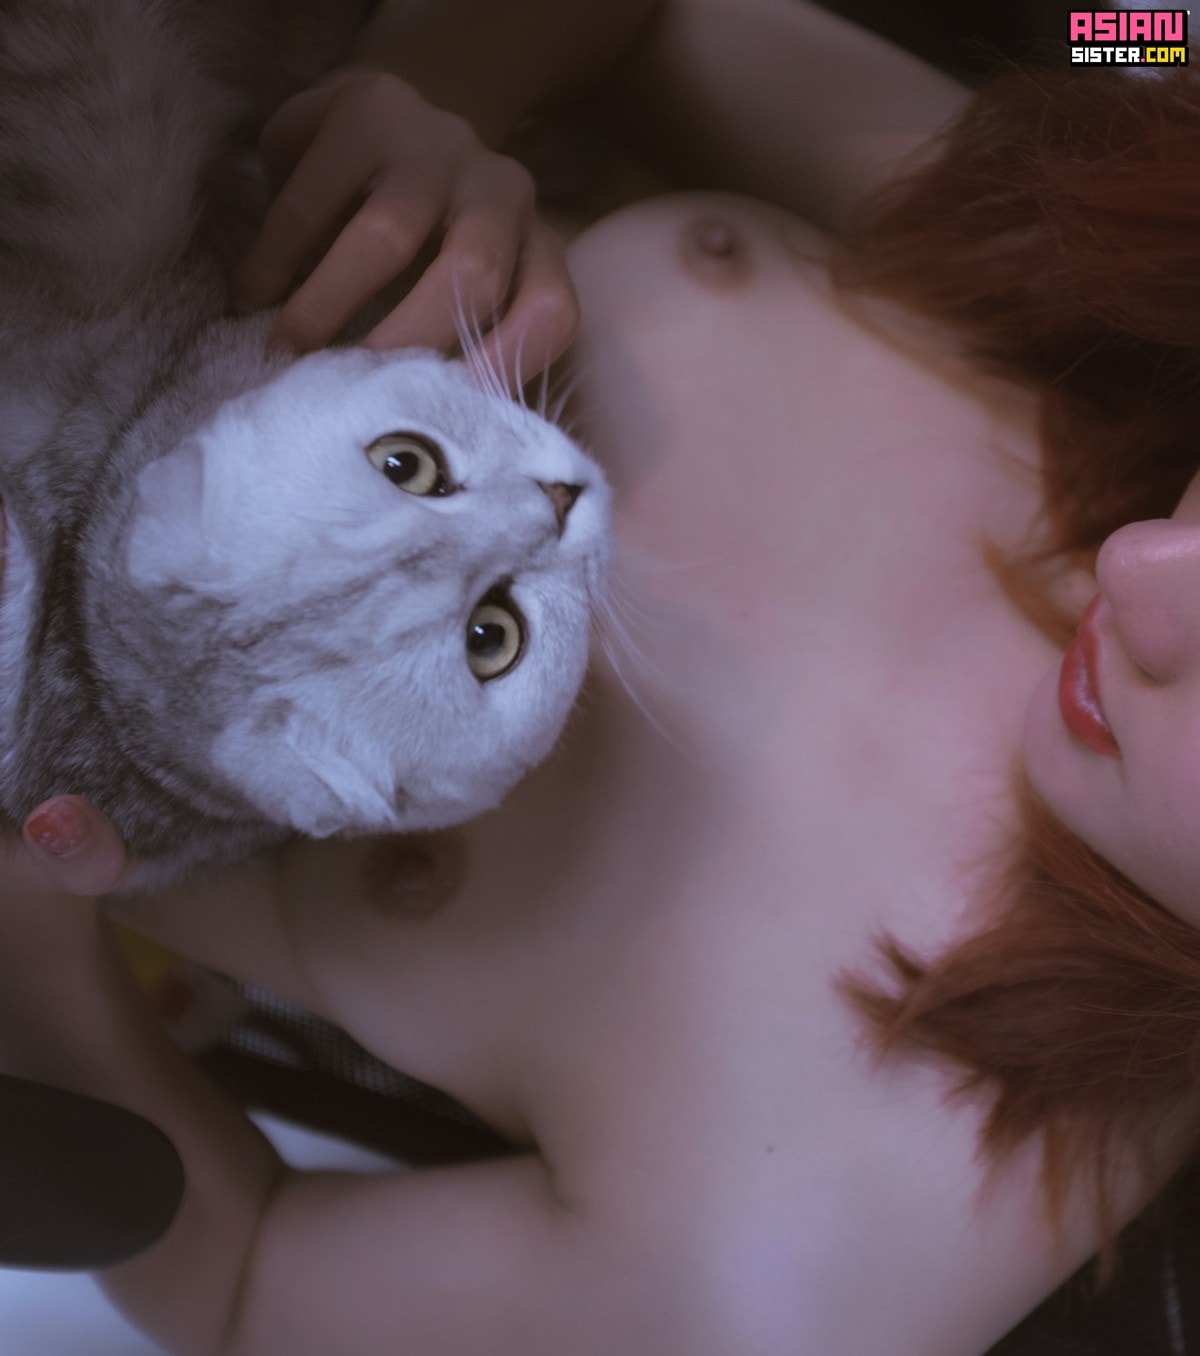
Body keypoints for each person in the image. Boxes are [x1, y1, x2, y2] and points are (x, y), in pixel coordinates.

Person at [3, 0, 1197, 1350]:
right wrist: (399, 137)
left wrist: (34, 958)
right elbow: (641, 15)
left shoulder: (860, 1243)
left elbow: (246, 1287)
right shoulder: (1150, 238)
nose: (1139, 565)